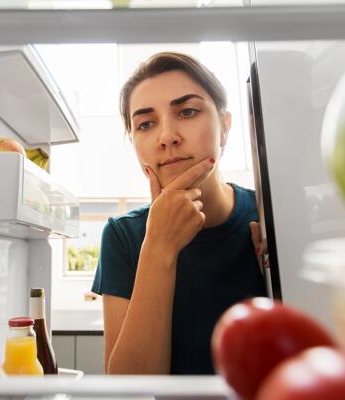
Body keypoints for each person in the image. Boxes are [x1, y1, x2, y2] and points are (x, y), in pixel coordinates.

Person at [91, 52, 268, 375]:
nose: (167, 136)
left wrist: (283, 277)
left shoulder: (269, 214)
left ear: (225, 128)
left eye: (187, 111)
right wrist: (159, 247)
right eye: (145, 123)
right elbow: (130, 392)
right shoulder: (122, 235)